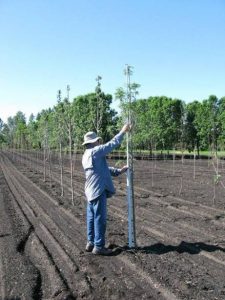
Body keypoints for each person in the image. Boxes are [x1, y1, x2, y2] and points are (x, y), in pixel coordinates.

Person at [82, 124, 131, 255]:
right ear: (94, 142)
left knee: (91, 218)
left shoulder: (86, 154)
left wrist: (119, 171)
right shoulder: (95, 151)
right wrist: (123, 131)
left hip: (90, 191)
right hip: (98, 191)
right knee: (100, 219)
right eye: (98, 141)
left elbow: (102, 170)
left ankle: (90, 242)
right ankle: (99, 247)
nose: (99, 142)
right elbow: (111, 144)